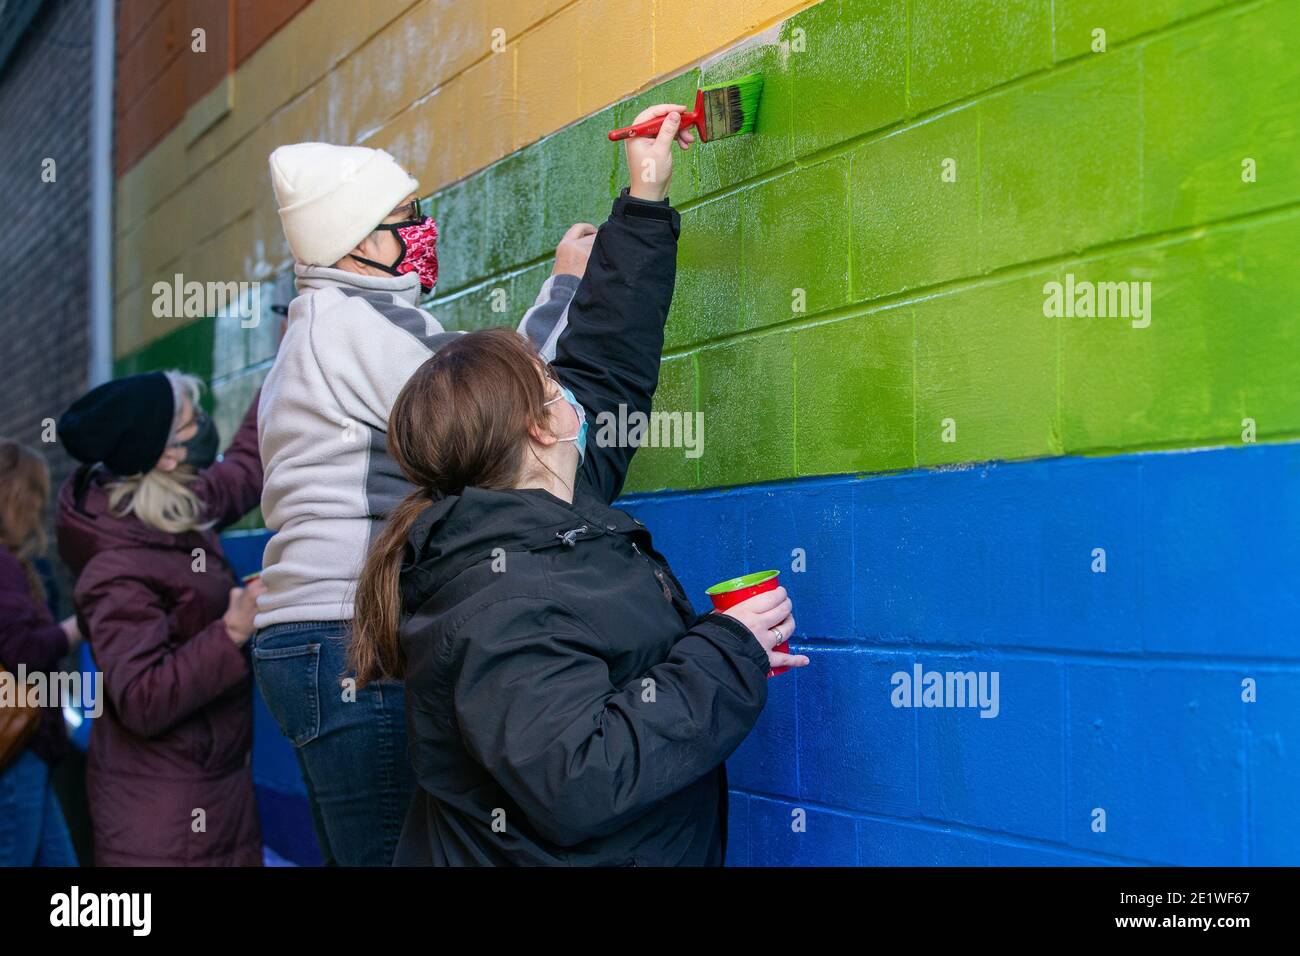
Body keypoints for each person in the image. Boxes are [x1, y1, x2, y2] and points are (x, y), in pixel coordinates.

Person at [351, 105, 808, 866]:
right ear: (541, 427)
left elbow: (606, 363)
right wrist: (729, 651)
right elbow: (581, 777)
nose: (572, 390)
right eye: (552, 382)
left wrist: (645, 201)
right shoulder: (501, 601)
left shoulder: (551, 511)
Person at [254, 142, 592, 865]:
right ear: (353, 246)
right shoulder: (350, 326)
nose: (423, 231)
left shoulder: (330, 325)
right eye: (405, 219)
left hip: (312, 639)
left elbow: (469, 377)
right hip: (348, 635)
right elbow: (489, 408)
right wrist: (566, 289)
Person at [56, 371, 265, 866]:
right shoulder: (115, 566)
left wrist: (293, 351)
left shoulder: (169, 503)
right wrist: (230, 631)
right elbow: (141, 697)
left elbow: (244, 469)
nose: (205, 425)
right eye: (193, 419)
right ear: (167, 453)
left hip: (211, 797)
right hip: (164, 826)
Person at [0, 440, 81, 866]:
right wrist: (78, 627)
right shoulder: (3, 565)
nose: (39, 508)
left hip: (25, 747)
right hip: (17, 747)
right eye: (35, 495)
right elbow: (22, 650)